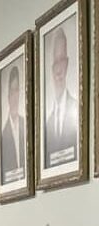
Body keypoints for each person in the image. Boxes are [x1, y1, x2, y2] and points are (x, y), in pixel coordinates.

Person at [44, 27, 79, 167]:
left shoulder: (77, 108)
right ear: (51, 68)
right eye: (55, 62)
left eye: (62, 60)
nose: (58, 70)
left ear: (67, 63)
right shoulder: (47, 124)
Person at [0, 65, 25, 181]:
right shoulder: (2, 136)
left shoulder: (25, 126)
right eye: (12, 91)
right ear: (8, 96)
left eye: (17, 90)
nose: (15, 96)